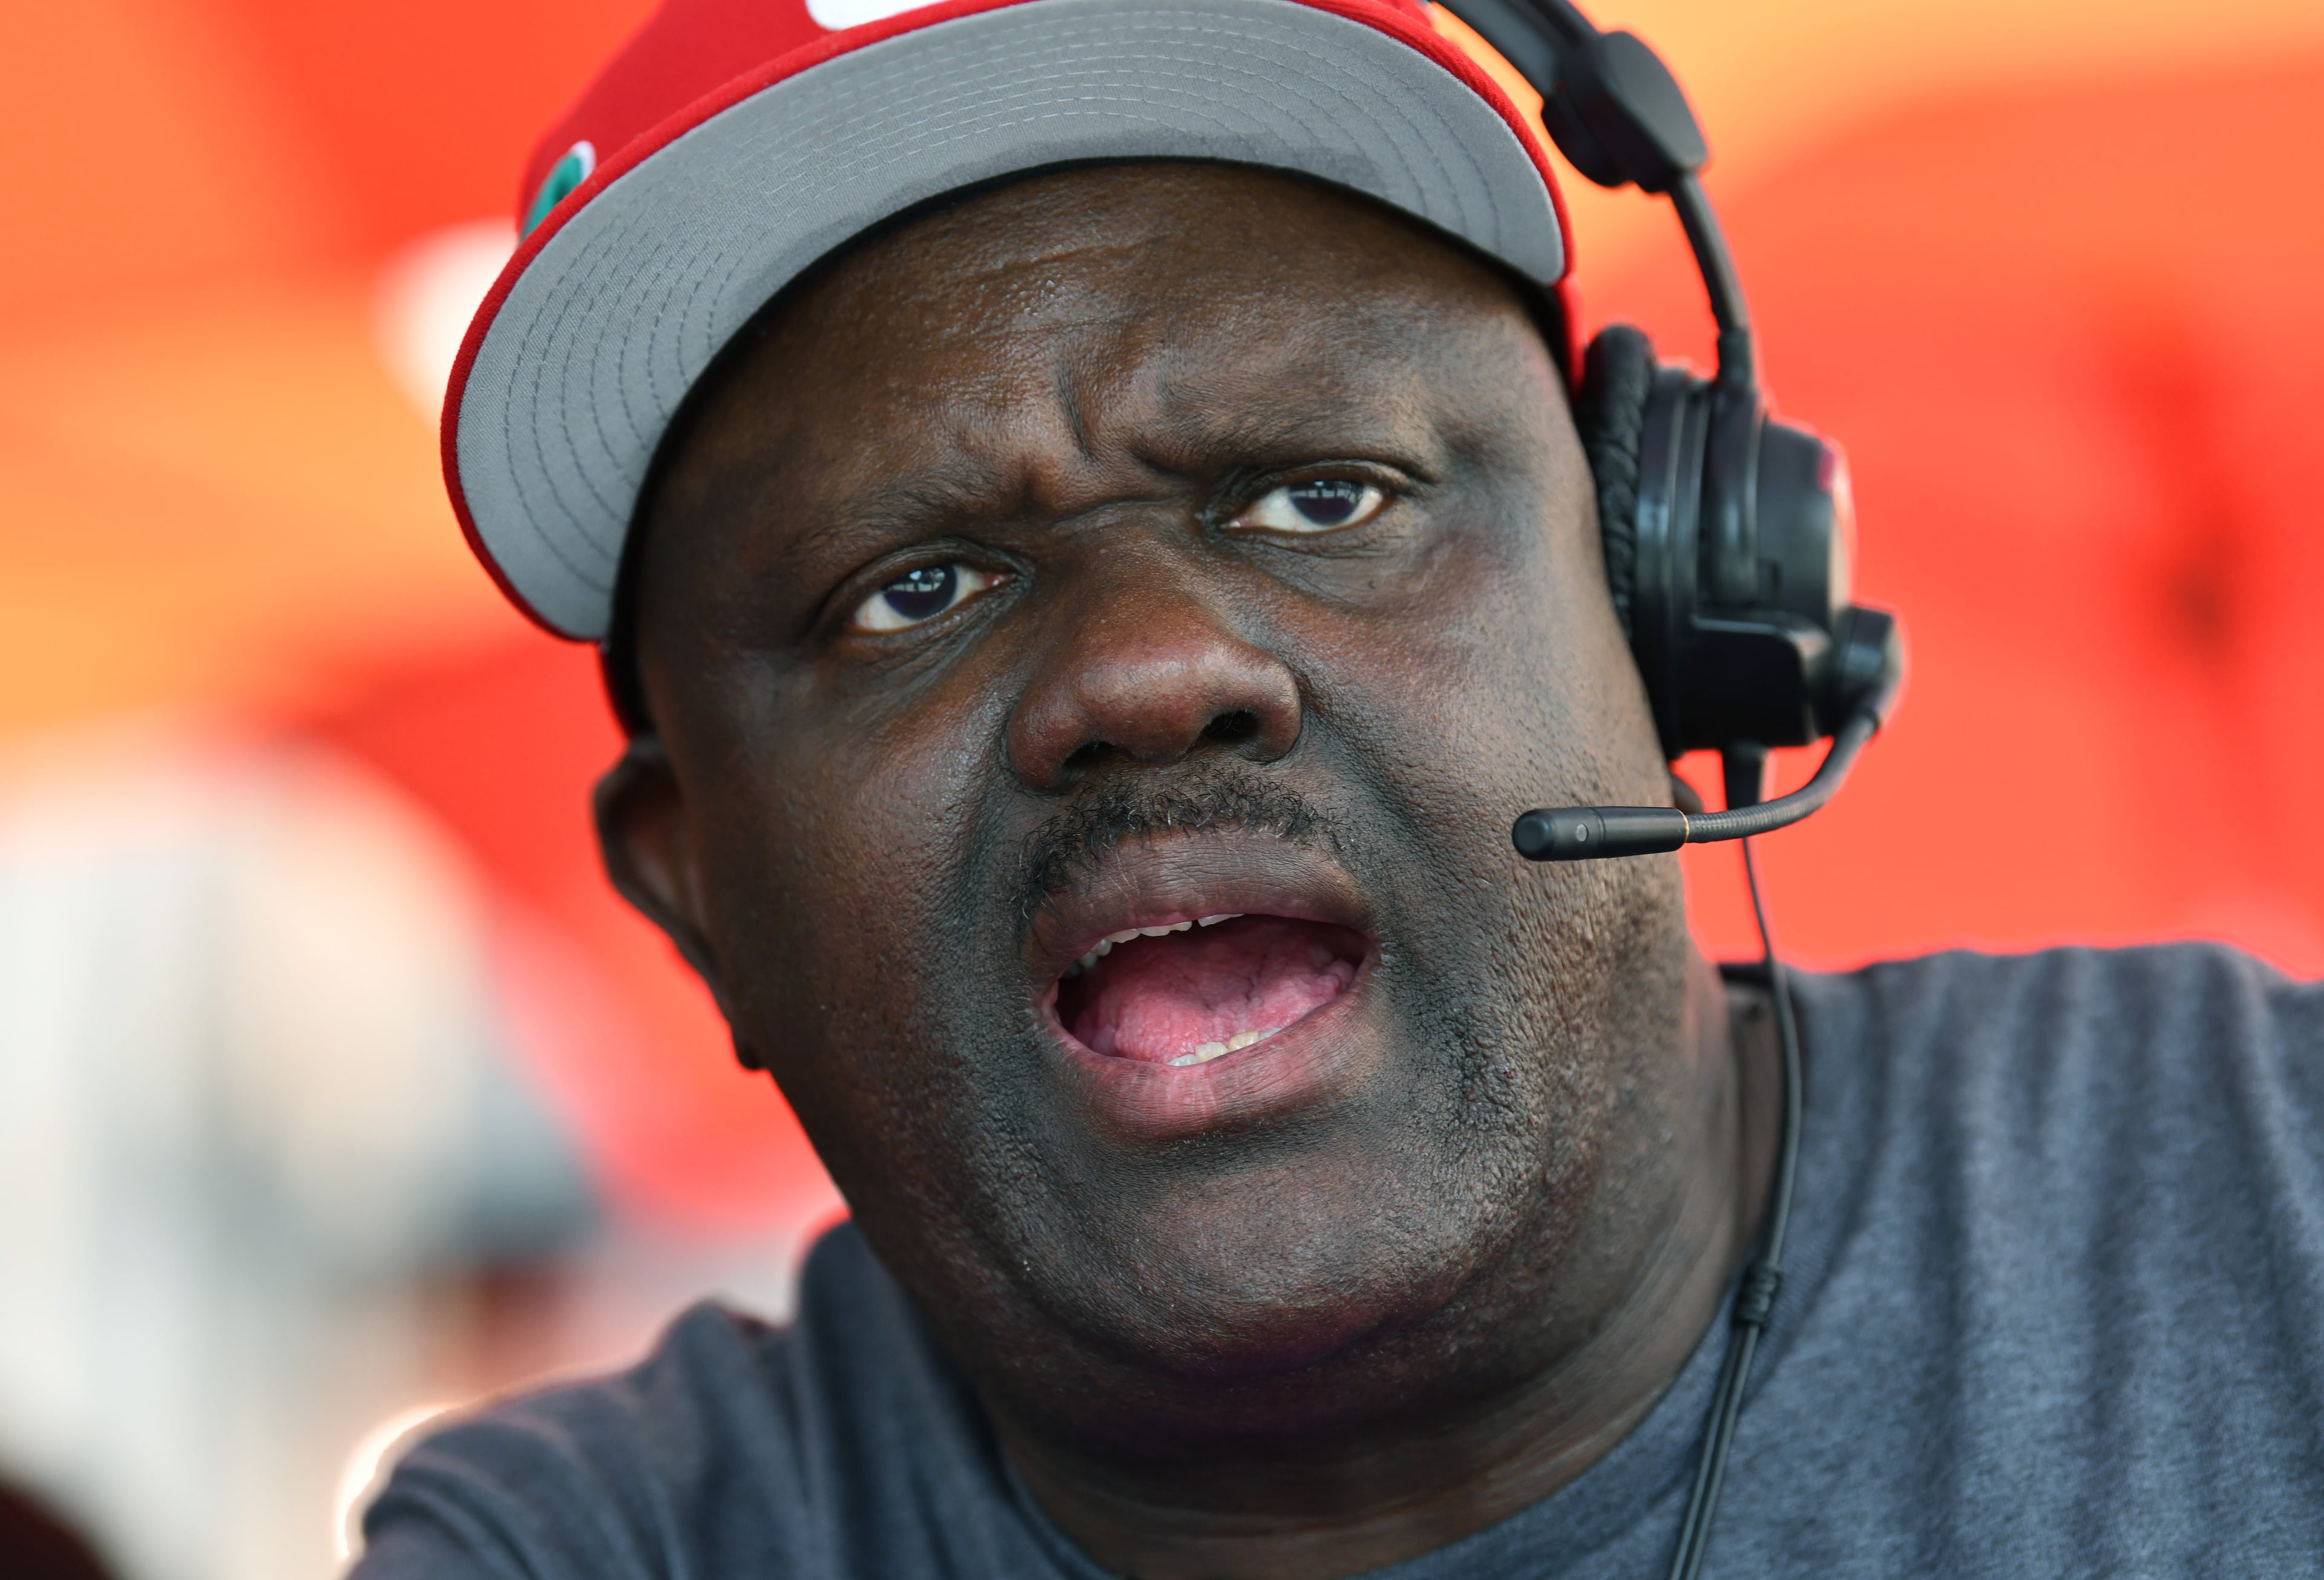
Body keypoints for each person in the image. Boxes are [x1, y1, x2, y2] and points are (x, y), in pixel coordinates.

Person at [355, 0, 2324, 1573]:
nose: (1146, 668)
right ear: (700, 897)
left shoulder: (2280, 1182)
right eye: (914, 589)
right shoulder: (594, 1542)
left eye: (1324, 492)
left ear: (1662, 613)